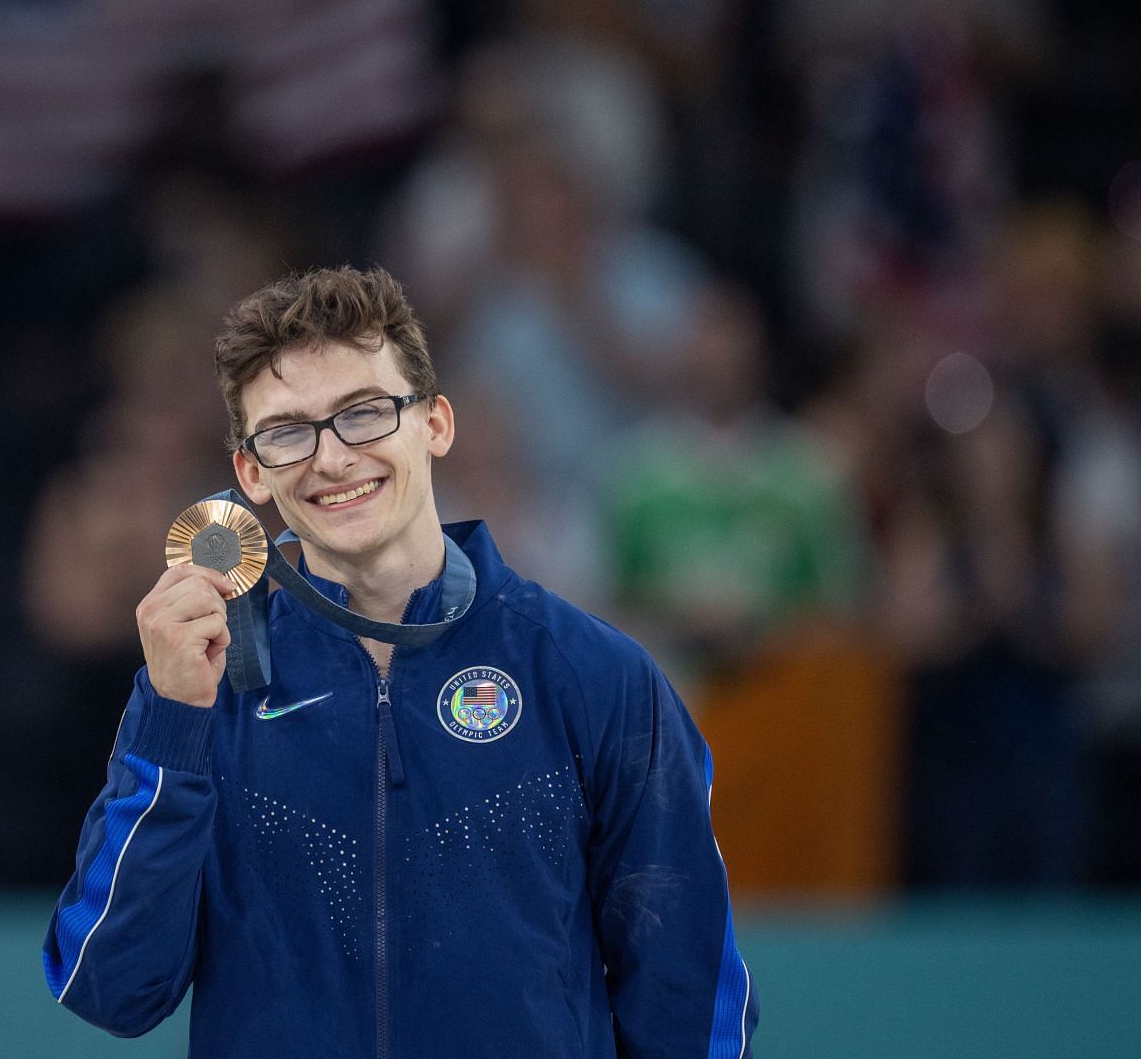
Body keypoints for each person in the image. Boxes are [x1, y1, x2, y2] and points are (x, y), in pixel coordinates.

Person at [43, 265, 757, 1057]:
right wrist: (175, 724)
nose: (332, 458)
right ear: (251, 473)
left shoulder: (593, 675)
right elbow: (110, 987)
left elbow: (692, 1009)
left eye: (364, 414)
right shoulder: (202, 685)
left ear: (436, 425)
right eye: (287, 431)